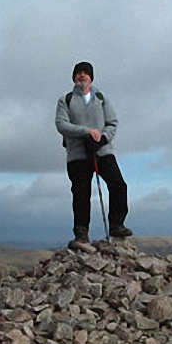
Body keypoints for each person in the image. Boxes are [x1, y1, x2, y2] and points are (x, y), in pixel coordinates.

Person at [55, 61, 132, 248]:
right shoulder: (65, 99)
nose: (82, 76)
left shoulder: (101, 97)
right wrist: (87, 132)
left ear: (91, 77)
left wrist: (103, 139)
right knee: (81, 193)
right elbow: (61, 124)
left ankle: (116, 224)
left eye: (85, 73)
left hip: (103, 151)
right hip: (77, 153)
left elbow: (112, 123)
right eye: (78, 73)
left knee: (118, 185)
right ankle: (81, 233)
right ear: (74, 77)